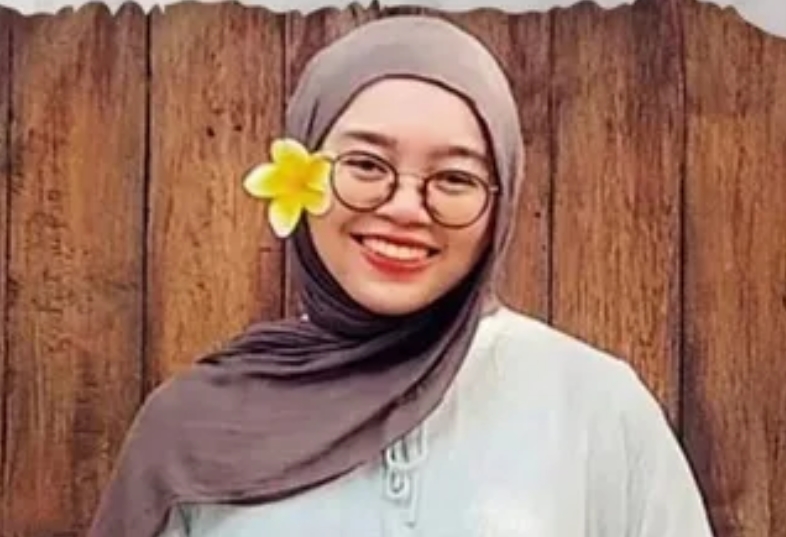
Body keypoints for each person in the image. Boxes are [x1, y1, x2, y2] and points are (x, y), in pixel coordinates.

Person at [88, 15, 714, 537]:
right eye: (366, 165)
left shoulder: (595, 407)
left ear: (501, 205)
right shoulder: (193, 430)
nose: (406, 208)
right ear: (304, 173)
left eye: (455, 179)